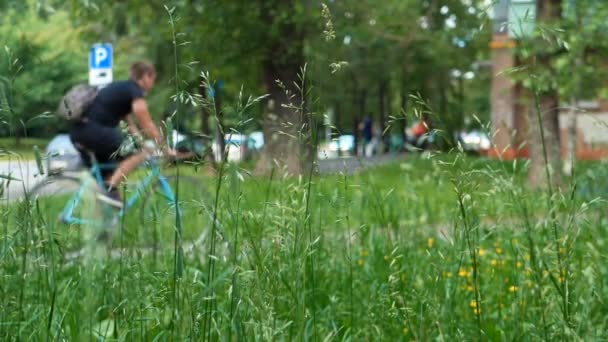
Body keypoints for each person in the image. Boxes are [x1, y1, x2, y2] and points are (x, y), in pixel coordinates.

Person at [70, 61, 175, 207]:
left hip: (80, 132)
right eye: (153, 79)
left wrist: (141, 141)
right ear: (146, 76)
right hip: (94, 132)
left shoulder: (121, 90)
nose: (153, 84)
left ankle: (106, 224)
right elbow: (147, 124)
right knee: (139, 154)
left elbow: (130, 124)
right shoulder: (135, 91)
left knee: (109, 180)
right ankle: (110, 189)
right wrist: (164, 147)